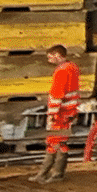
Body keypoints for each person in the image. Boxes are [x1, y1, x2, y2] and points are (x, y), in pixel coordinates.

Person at [30, 44, 80, 184]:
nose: (49, 59)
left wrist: (52, 114)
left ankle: (54, 174)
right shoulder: (73, 68)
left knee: (55, 141)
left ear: (57, 55)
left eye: (50, 56)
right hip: (69, 111)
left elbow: (57, 94)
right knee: (57, 141)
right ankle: (47, 173)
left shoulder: (61, 72)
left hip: (60, 113)